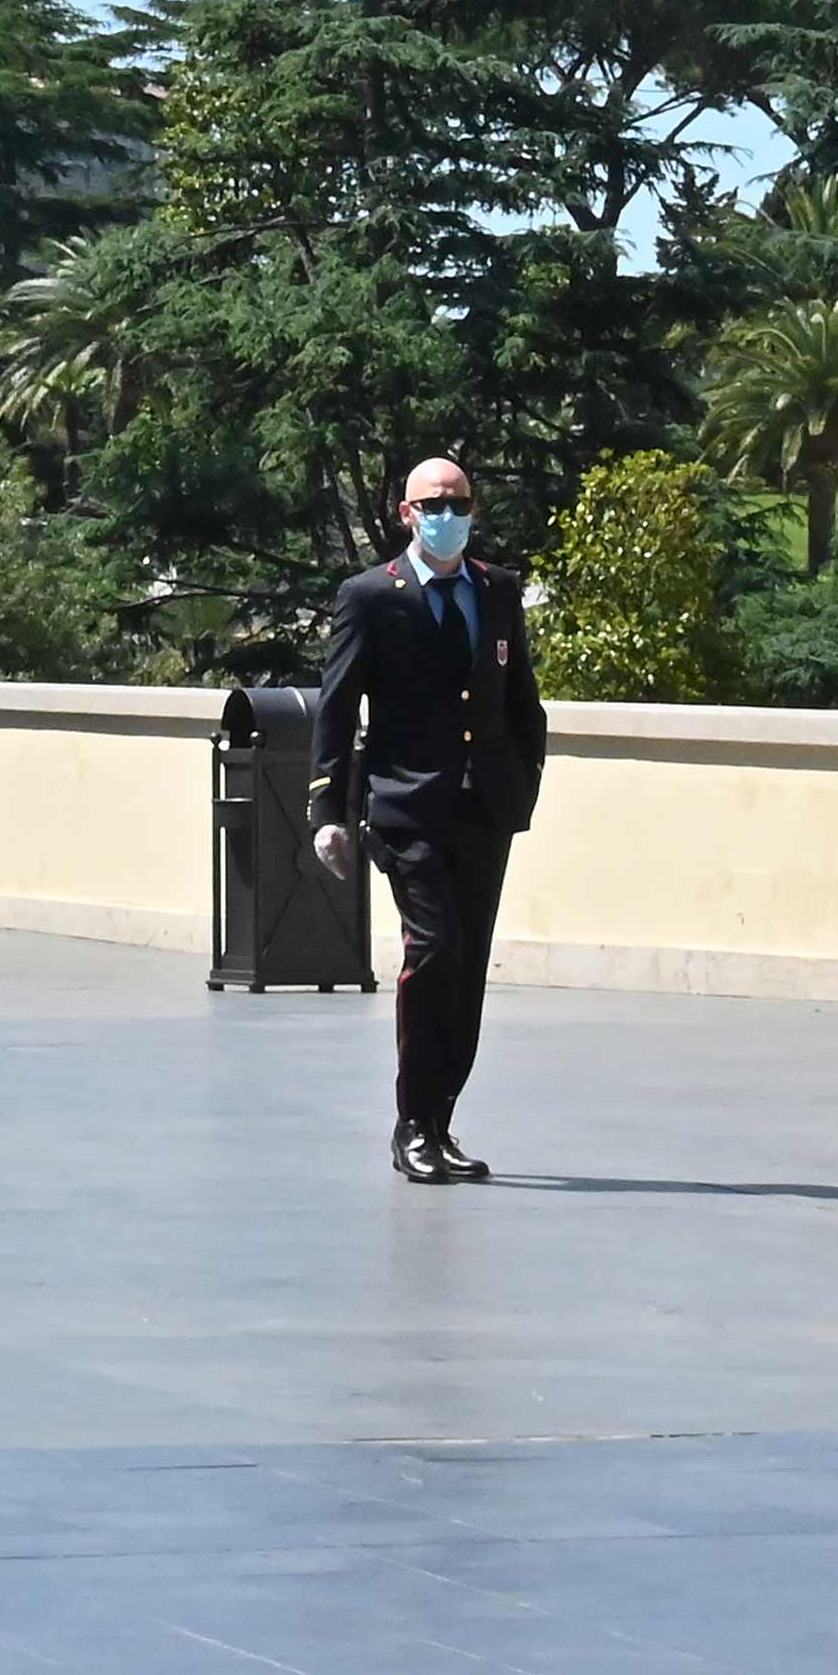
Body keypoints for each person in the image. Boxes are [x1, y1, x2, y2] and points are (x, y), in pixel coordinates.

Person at [313, 457, 545, 1183]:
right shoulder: (369, 597)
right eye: (433, 503)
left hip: (485, 807)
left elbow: (521, 698)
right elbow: (336, 707)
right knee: (434, 950)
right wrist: (328, 810)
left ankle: (440, 1124)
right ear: (407, 513)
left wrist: (525, 782)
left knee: (468, 969)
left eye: (459, 502)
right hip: (405, 807)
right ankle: (411, 1123)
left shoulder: (496, 589)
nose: (448, 514)